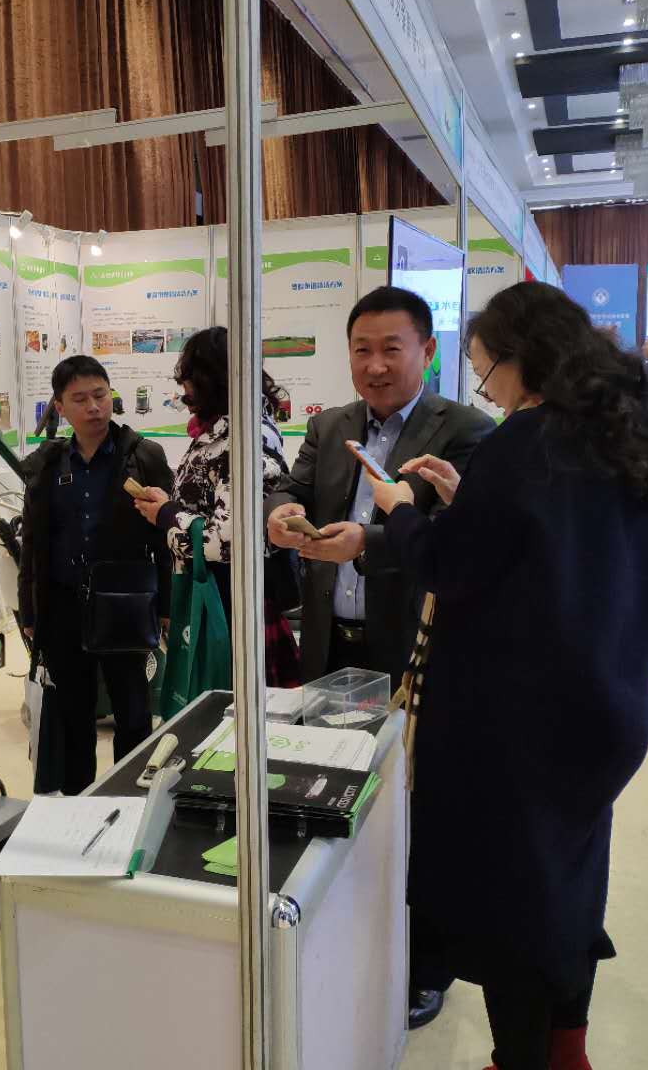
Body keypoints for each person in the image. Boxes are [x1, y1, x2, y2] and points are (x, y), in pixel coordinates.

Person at [322, 281, 648, 1070]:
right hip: (603, 713)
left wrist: (399, 508)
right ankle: (566, 1047)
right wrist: (468, 502)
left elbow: (450, 569)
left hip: (514, 729)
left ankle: (521, 1058)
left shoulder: (523, 440)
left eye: (486, 369)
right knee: (567, 887)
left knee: (511, 909)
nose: (486, 388)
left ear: (522, 360)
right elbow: (573, 556)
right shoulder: (620, 435)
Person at [263, 285, 493, 1032]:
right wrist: (282, 512)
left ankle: (426, 965)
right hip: (333, 650)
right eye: (361, 349)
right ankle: (350, 933)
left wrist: (370, 541)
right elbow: (291, 487)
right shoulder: (329, 425)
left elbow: (460, 541)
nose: (375, 364)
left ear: (427, 351)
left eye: (392, 348)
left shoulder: (466, 431)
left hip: (417, 655)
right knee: (336, 797)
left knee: (420, 816)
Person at [18, 356, 174, 795]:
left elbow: (166, 537)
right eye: (80, 399)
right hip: (64, 606)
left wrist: (165, 605)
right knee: (73, 714)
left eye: (100, 395)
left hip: (125, 604)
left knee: (133, 712)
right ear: (60, 407)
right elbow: (33, 543)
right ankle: (78, 804)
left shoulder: (143, 456)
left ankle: (133, 800)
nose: (93, 407)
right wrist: (29, 609)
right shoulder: (47, 465)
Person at [132, 327, 302, 687]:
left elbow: (228, 541)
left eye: (189, 380)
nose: (184, 392)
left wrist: (166, 515)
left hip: (231, 602)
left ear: (212, 379)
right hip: (213, 595)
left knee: (231, 707)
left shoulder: (245, 437)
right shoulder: (220, 432)